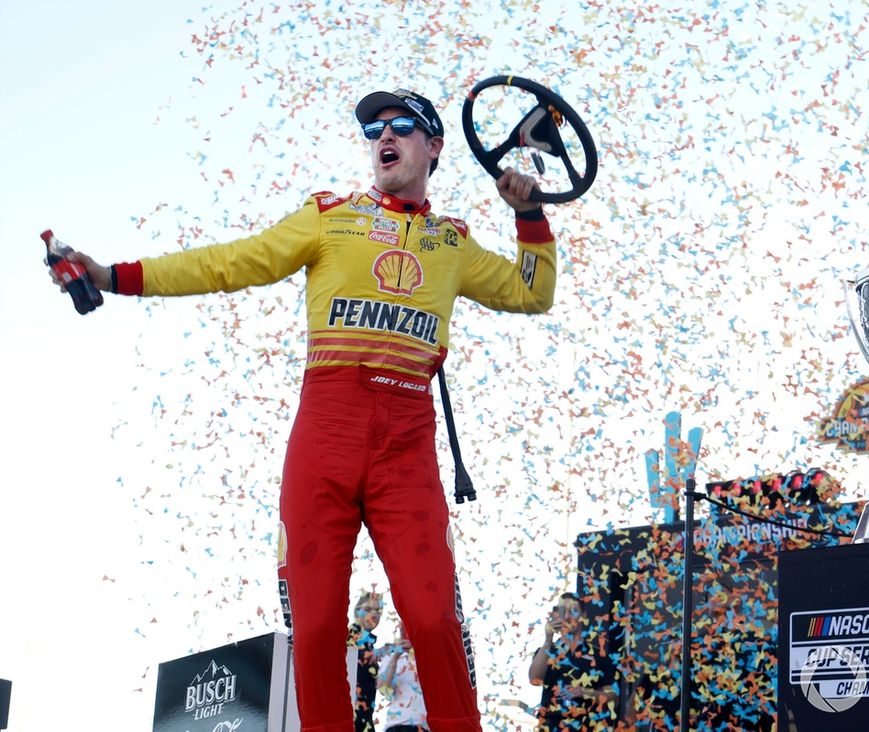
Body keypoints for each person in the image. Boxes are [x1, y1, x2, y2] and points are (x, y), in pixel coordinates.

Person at [48, 88, 556, 732]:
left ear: (433, 147)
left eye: (401, 126)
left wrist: (531, 219)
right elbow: (231, 263)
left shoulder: (451, 243)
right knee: (314, 627)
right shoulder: (328, 216)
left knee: (433, 620)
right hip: (325, 438)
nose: (383, 136)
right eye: (373, 129)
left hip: (406, 445)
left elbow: (531, 293)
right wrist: (114, 274)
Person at [528, 593, 619, 730]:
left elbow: (614, 697)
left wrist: (585, 692)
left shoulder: (598, 656)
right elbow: (535, 678)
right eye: (563, 611)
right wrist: (548, 640)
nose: (567, 616)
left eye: (573, 611)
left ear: (583, 615)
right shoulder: (548, 651)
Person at [378, 623, 429, 732]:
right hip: (398, 724)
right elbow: (383, 690)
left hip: (425, 726)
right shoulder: (391, 657)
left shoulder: (430, 657)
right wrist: (395, 657)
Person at [349, 591, 385, 732]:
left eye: (378, 610)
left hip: (365, 721)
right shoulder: (350, 636)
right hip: (350, 718)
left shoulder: (370, 644)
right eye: (368, 609)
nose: (374, 614)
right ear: (357, 612)